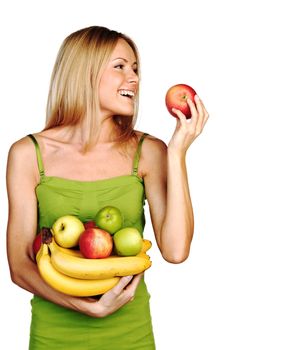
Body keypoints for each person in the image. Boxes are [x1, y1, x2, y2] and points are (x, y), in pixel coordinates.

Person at [6, 25, 209, 349]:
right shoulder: (28, 154)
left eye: (136, 69)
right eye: (120, 66)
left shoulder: (148, 152)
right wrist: (88, 308)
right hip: (53, 337)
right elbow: (19, 265)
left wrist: (177, 153)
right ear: (84, 72)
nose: (134, 78)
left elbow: (175, 251)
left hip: (131, 335)